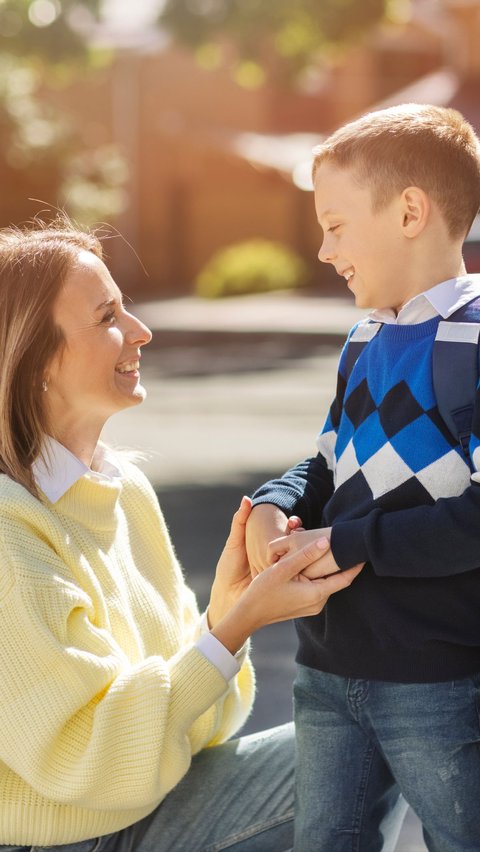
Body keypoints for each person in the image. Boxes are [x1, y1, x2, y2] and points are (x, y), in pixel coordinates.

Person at [0, 219, 363, 851]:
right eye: (108, 315)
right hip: (68, 839)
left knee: (369, 734)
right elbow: (89, 762)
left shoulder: (122, 487)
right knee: (356, 751)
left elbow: (197, 733)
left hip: (146, 805)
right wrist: (233, 628)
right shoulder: (10, 533)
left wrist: (223, 611)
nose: (141, 331)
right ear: (36, 360)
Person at [245, 103, 480, 851]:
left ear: (410, 211)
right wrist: (276, 502)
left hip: (437, 679)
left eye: (337, 225)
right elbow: (331, 459)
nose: (322, 248)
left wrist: (346, 542)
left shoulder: (472, 341)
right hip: (326, 669)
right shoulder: (366, 335)